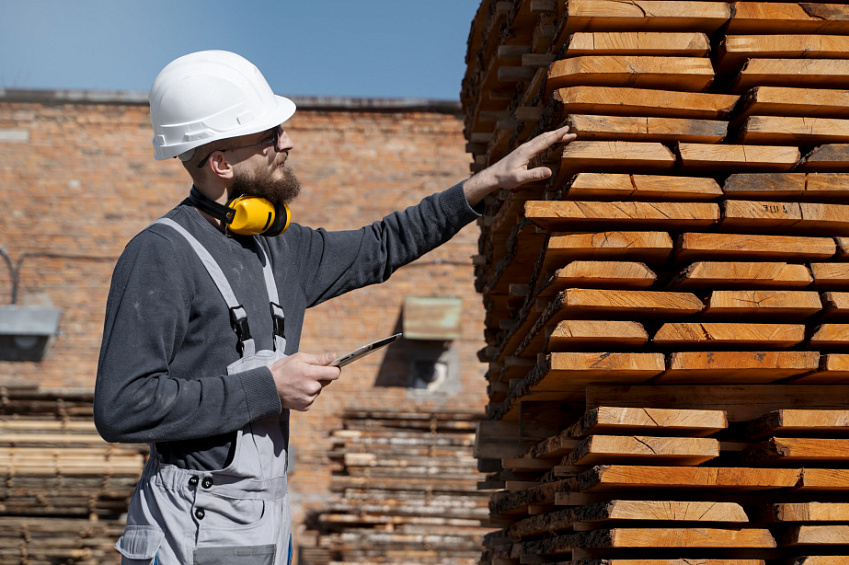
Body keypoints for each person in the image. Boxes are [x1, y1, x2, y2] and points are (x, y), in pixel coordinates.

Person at [93, 50, 574, 565]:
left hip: (266, 518)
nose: (287, 143)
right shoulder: (160, 254)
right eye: (270, 135)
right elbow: (123, 406)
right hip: (186, 527)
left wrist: (487, 182)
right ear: (221, 163)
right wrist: (269, 387)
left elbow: (384, 243)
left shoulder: (281, 249)